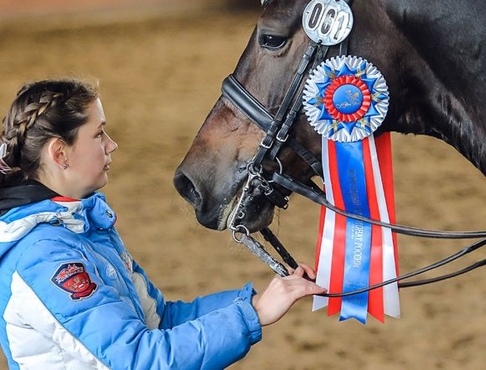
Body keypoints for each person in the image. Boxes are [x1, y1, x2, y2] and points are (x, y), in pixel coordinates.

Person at [0, 79, 326, 369]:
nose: (111, 144)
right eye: (99, 134)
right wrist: (251, 315)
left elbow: (160, 321)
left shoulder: (80, 228)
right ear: (60, 153)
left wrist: (253, 302)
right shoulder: (45, 257)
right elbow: (139, 359)